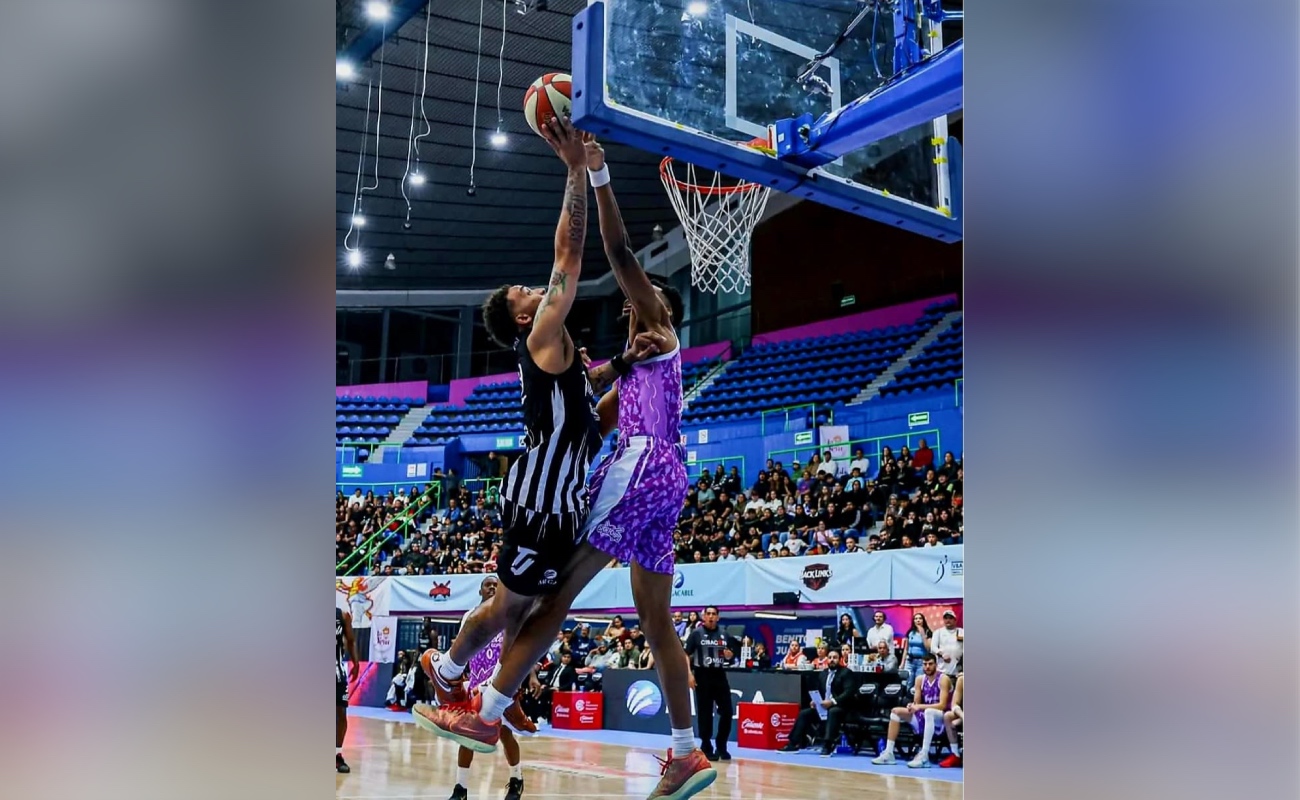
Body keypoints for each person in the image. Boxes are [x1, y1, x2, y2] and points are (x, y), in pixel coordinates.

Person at [415, 119, 663, 758]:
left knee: (520, 612)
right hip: (539, 505)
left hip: (559, 504)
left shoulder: (569, 363)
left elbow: (589, 399)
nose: (537, 288)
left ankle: (456, 675)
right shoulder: (541, 338)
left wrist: (625, 367)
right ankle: (450, 674)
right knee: (512, 613)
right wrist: (575, 169)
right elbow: (569, 256)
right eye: (528, 294)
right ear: (525, 316)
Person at [579, 136, 715, 797]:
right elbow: (593, 417)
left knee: (560, 566)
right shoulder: (636, 367)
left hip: (644, 464)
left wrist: (596, 171)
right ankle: (686, 751)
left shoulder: (660, 327)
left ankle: (488, 697)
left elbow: (618, 253)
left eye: (640, 298)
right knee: (655, 622)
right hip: (667, 482)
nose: (631, 301)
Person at [433, 576, 533, 800]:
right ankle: (460, 789)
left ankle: (516, 780)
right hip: (477, 684)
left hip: (502, 683)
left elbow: (524, 647)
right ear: (480, 591)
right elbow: (461, 648)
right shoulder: (470, 616)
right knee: (466, 735)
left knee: (506, 733)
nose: (492, 588)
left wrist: (531, 675)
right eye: (488, 585)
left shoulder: (510, 616)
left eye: (497, 586)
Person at [872, 654, 952, 768]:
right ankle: (889, 753)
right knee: (895, 711)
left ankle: (924, 755)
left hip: (941, 718)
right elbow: (917, 704)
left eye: (930, 664)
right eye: (925, 664)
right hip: (925, 717)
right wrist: (912, 705)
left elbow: (942, 705)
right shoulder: (919, 679)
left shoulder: (943, 679)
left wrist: (919, 707)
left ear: (936, 665)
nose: (927, 667)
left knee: (929, 711)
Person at [685, 606, 741, 761]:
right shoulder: (696, 634)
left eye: (714, 614)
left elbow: (732, 652)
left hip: (719, 674)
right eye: (708, 614)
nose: (710, 616)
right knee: (705, 712)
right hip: (702, 675)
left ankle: (721, 745)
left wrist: (730, 655)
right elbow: (686, 654)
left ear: (718, 617)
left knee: (727, 711)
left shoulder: (724, 633)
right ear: (703, 617)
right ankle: (706, 745)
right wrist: (689, 674)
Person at [777, 649, 859, 756]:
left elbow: (848, 692)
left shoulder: (846, 673)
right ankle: (793, 744)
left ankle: (827, 745)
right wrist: (815, 701)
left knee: (833, 712)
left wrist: (832, 702)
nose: (832, 660)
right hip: (823, 707)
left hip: (841, 707)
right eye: (829, 658)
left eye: (834, 658)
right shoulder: (823, 673)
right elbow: (819, 691)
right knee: (804, 713)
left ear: (839, 659)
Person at [336, 607, 359, 773]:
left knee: (341, 713)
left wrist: (355, 662)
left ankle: (337, 755)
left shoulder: (342, 616)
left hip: (337, 672)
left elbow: (350, 640)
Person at [939, 672, 963, 768]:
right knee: (948, 716)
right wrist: (963, 716)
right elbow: (954, 704)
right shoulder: (962, 680)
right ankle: (955, 754)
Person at [930, 609, 964, 678]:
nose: (948, 620)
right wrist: (942, 655)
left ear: (955, 620)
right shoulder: (938, 632)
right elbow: (933, 648)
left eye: (950, 618)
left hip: (958, 670)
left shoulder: (962, 632)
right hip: (942, 669)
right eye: (946, 618)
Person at [904, 612, 932, 681]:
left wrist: (922, 634)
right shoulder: (910, 632)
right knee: (907, 682)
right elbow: (905, 649)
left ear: (923, 620)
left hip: (921, 661)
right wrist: (902, 663)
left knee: (919, 682)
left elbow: (928, 648)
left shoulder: (928, 632)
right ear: (913, 621)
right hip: (909, 661)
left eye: (920, 618)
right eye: (916, 619)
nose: (918, 620)